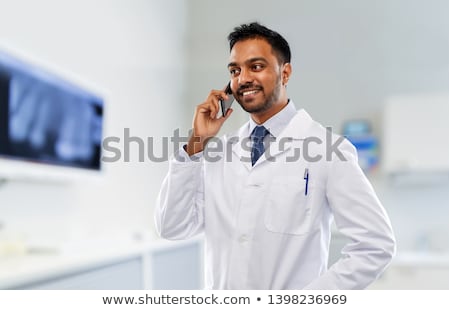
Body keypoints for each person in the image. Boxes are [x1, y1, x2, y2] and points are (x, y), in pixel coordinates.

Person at [155, 22, 396, 289]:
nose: (243, 79)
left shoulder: (328, 150)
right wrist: (196, 143)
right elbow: (172, 227)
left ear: (286, 72)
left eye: (256, 67)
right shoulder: (218, 153)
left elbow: (376, 245)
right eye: (235, 70)